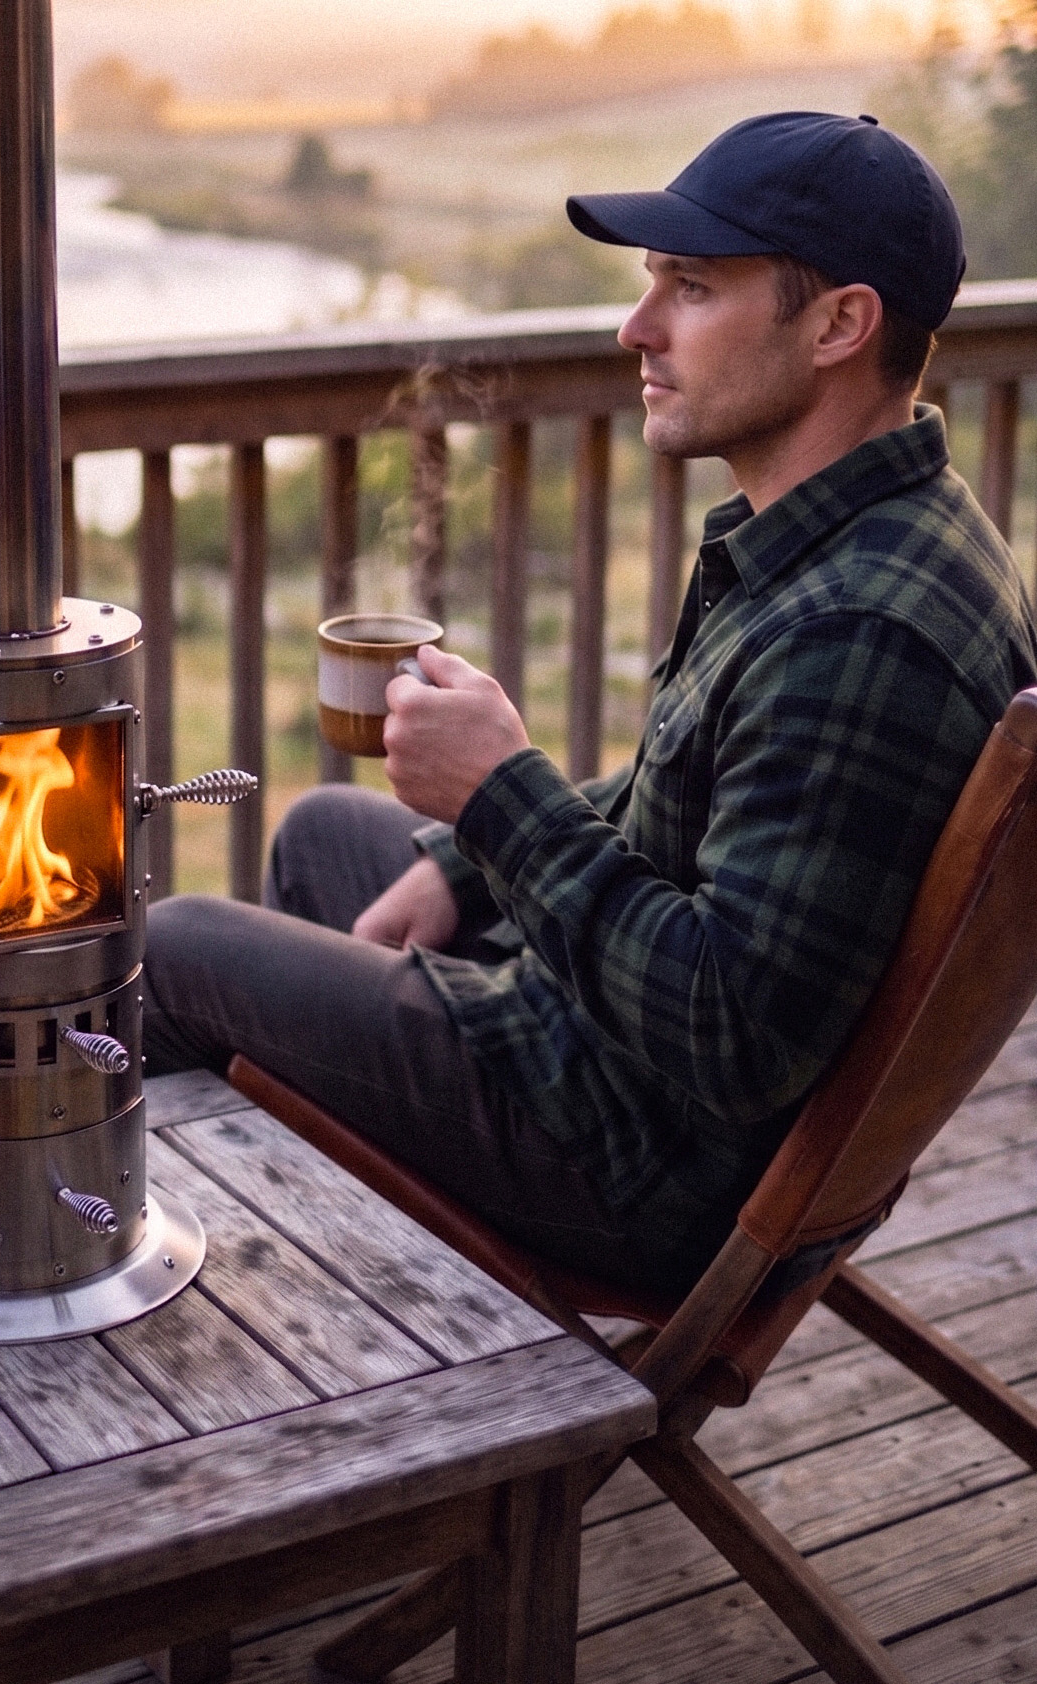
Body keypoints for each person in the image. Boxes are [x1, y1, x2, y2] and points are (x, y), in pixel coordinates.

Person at [141, 112, 1037, 1296]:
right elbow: (705, 796)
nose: (636, 328)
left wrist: (502, 802)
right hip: (621, 1062)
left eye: (692, 287)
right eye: (649, 283)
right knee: (326, 839)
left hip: (635, 1159)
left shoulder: (858, 633)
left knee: (170, 950)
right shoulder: (870, 539)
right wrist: (467, 856)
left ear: (837, 324)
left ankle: (188, 1340)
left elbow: (731, 1035)